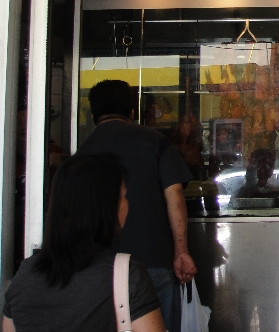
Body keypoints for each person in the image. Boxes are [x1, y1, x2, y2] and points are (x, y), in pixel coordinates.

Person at [77, 80, 196, 332]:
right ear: (132, 112)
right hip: (154, 262)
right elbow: (174, 195)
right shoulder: (156, 142)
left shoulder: (83, 153)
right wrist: (182, 251)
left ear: (93, 114)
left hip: (98, 270)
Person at [3, 154, 164, 332]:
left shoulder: (25, 275)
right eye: (123, 196)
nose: (127, 204)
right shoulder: (127, 274)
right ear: (105, 206)